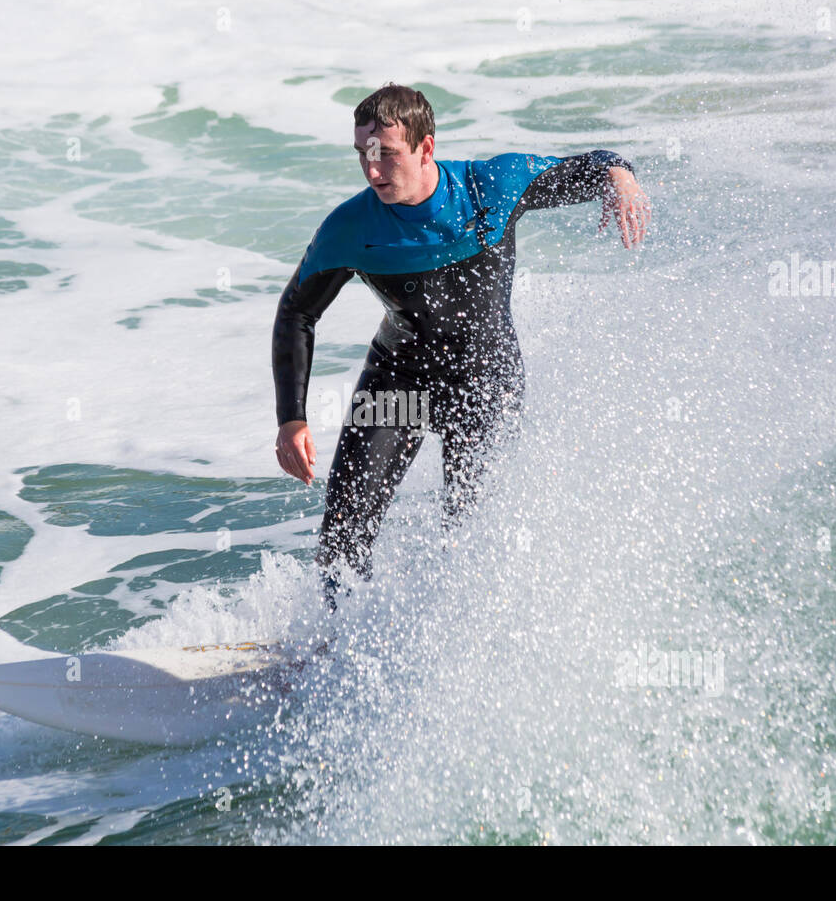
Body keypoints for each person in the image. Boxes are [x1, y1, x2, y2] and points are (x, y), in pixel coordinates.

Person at [272, 83, 650, 611]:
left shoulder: (491, 187)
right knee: (345, 527)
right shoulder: (350, 228)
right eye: (363, 154)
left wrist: (620, 174)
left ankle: (454, 637)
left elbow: (588, 166)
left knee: (468, 533)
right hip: (399, 381)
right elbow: (297, 312)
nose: (372, 170)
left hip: (485, 384)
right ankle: (331, 645)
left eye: (386, 154)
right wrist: (291, 418)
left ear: (427, 147)